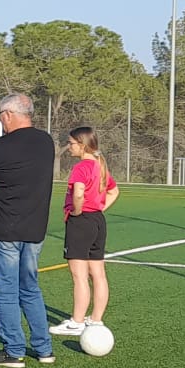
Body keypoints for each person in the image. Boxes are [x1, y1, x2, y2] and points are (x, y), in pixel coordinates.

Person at [0, 94, 57, 367]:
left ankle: (14, 350)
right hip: (34, 227)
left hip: (2, 228)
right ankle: (44, 349)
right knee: (30, 288)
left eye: (0, 115)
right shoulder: (46, 141)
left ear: (8, 114)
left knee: (6, 290)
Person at [52, 125, 119, 340]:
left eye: (71, 143)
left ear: (82, 144)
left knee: (79, 275)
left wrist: (78, 211)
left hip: (81, 222)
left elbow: (78, 193)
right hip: (98, 221)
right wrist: (98, 209)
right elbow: (114, 191)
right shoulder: (100, 165)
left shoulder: (82, 167)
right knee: (98, 273)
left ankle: (77, 322)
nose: (69, 147)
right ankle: (96, 319)